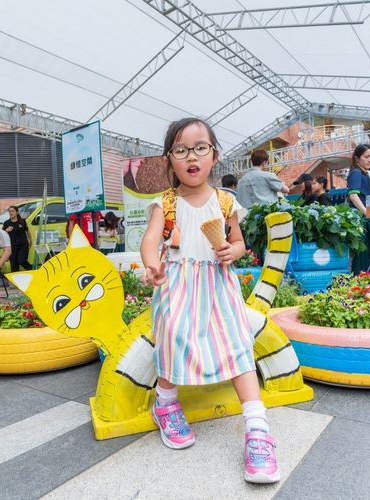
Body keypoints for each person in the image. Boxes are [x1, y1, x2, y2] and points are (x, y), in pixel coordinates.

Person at [141, 117, 280, 484]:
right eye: (182, 149)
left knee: (236, 346)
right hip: (178, 283)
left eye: (200, 148)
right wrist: (153, 265)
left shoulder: (226, 200)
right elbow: (150, 241)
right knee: (173, 338)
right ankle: (166, 404)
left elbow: (238, 242)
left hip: (218, 285)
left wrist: (232, 252)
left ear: (214, 155)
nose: (192, 156)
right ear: (170, 159)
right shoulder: (165, 203)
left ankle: (257, 429)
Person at [347, 144, 370, 214]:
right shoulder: (356, 172)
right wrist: (367, 213)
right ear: (357, 158)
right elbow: (353, 196)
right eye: (366, 157)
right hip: (361, 216)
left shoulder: (367, 173)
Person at [3, 205, 31, 272]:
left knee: (22, 261)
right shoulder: (6, 223)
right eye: (9, 211)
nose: (10, 213)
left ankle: (32, 270)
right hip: (12, 246)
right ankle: (15, 281)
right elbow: (3, 234)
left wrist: (30, 240)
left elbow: (27, 231)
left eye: (12, 211)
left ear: (17, 212)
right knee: (14, 265)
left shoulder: (22, 221)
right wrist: (6, 230)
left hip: (23, 245)